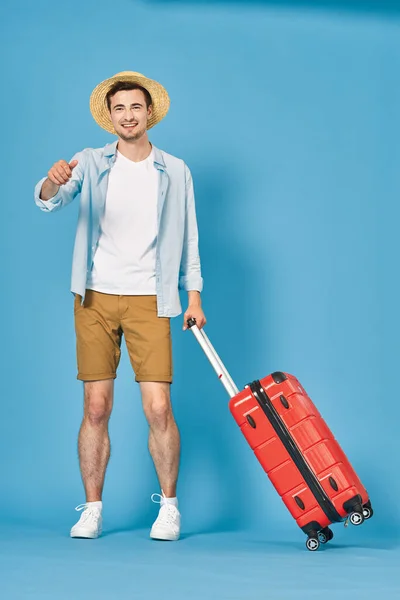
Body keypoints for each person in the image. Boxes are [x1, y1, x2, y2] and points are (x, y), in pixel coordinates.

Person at [34, 70, 206, 541]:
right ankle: (92, 508)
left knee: (157, 408)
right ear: (109, 117)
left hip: (152, 299)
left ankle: (169, 507)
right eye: (119, 109)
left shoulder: (175, 170)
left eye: (135, 107)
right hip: (95, 297)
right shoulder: (90, 161)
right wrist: (51, 183)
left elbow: (189, 237)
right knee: (95, 407)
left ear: (149, 113)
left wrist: (194, 297)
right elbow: (52, 200)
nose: (128, 116)